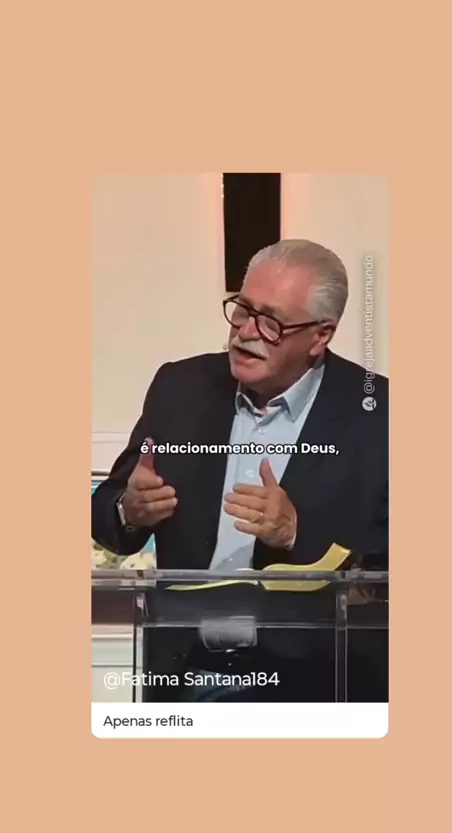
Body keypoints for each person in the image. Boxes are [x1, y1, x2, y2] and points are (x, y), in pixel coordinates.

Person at [92, 239, 388, 702]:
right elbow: (106, 517)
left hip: (320, 683)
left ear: (321, 336)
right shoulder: (180, 387)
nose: (245, 332)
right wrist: (129, 510)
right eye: (243, 310)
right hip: (183, 676)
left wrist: (297, 532)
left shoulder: (378, 413)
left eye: (271, 322)